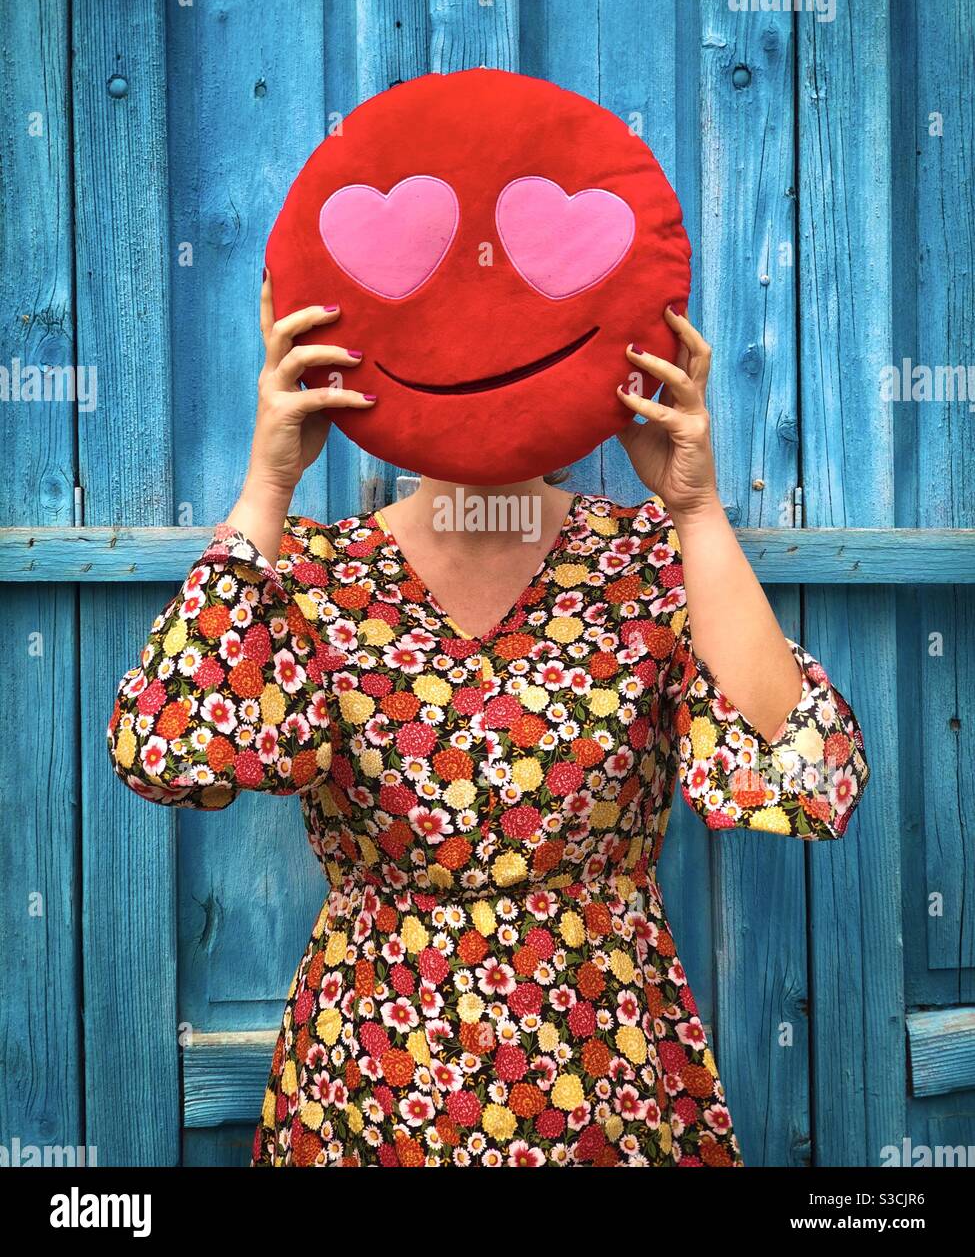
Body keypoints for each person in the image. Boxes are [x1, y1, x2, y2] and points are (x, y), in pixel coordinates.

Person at [107, 274, 871, 1167]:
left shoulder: (648, 561)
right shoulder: (313, 574)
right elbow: (170, 751)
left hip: (605, 1070)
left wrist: (695, 510)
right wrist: (267, 484)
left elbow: (799, 784)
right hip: (372, 1075)